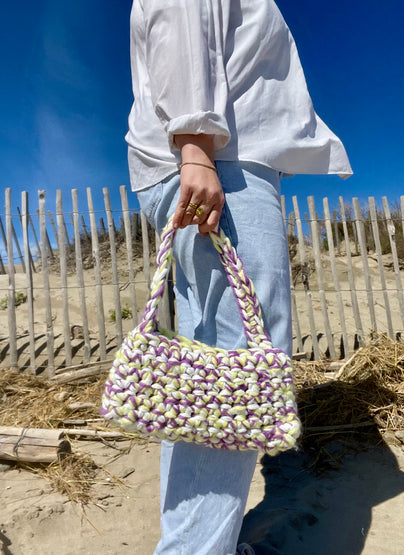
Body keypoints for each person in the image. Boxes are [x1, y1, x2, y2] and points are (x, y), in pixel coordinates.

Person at [125, 1, 352, 553]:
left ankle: (201, 542)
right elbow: (179, 15)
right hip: (219, 158)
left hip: (214, 155)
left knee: (207, 373)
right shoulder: (204, 151)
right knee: (240, 364)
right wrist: (197, 148)